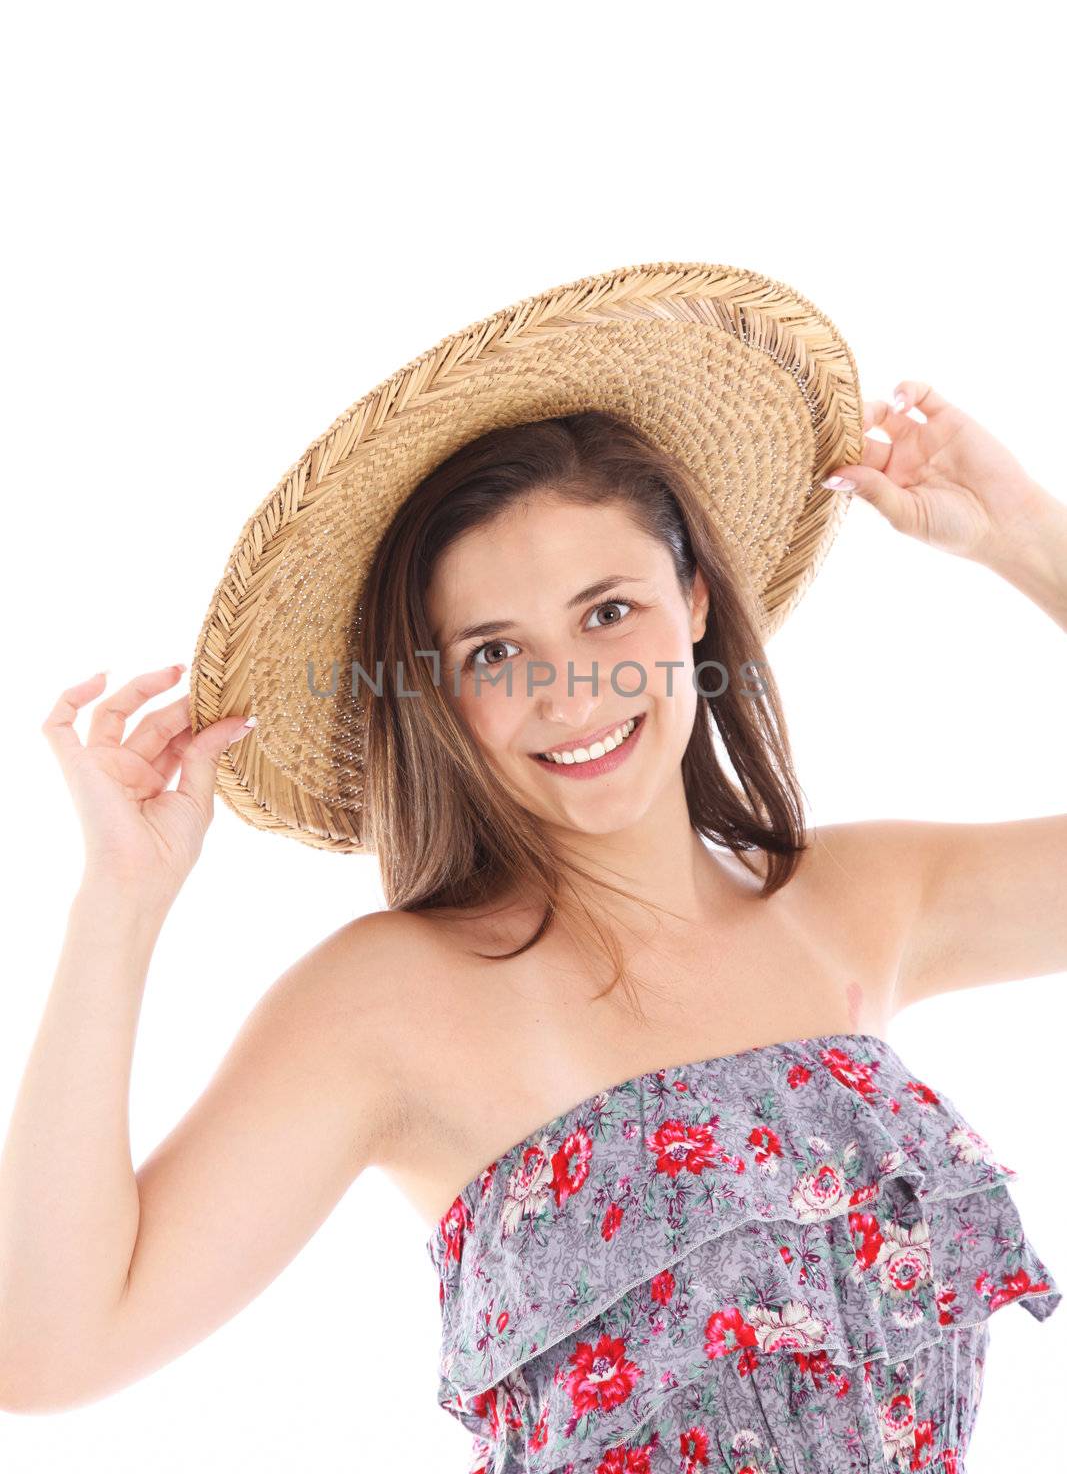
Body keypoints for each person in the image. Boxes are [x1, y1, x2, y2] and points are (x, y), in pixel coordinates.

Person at [1, 383, 1064, 1474]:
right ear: (438, 695)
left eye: (607, 612)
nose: (569, 691)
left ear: (693, 598)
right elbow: (47, 1351)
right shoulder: (387, 1000)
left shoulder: (852, 900)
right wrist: (117, 905)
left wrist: (1028, 536)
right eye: (494, 654)